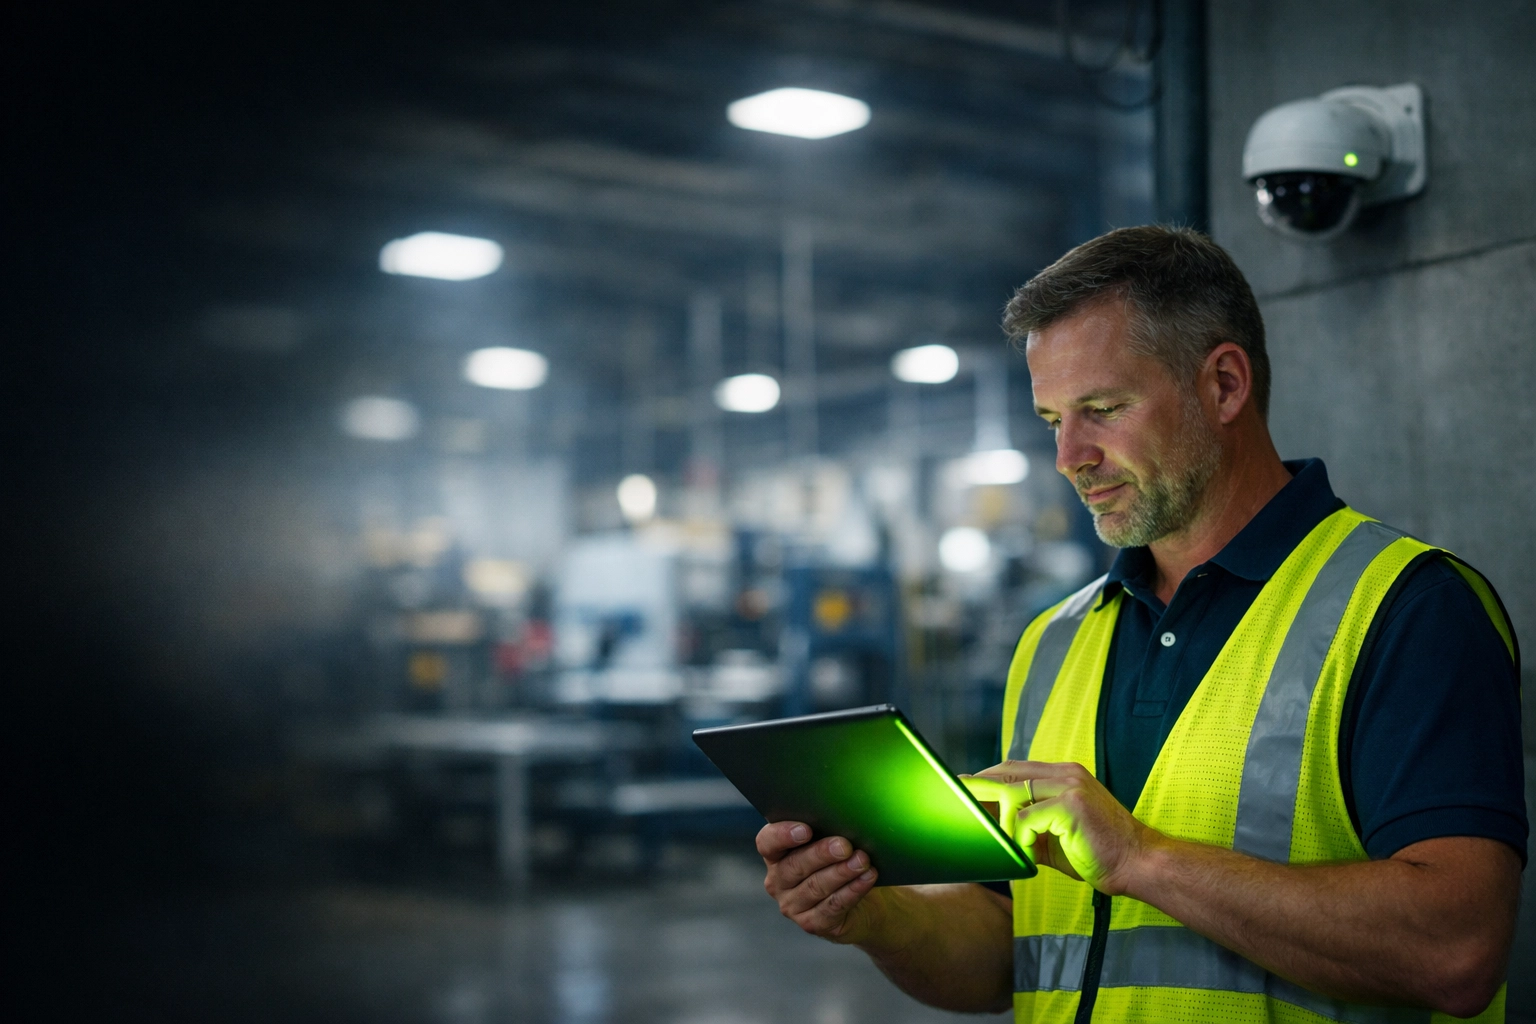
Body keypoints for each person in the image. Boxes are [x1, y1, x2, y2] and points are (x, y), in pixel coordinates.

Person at [756, 226, 1524, 1023]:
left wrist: (1138, 857)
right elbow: (1008, 955)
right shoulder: (1055, 639)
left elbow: (1456, 951)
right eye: (1053, 417)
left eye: (1103, 409)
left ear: (1225, 386)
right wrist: (875, 917)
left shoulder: (1407, 609)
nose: (1068, 456)